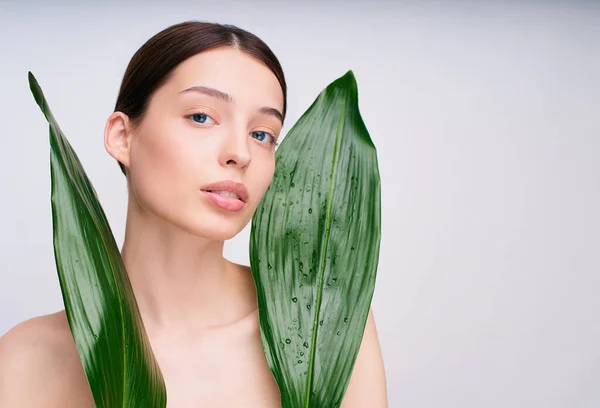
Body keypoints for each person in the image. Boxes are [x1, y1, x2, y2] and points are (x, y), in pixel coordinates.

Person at [0, 21, 387, 407]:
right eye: (202, 116)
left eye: (262, 134)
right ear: (122, 136)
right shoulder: (27, 359)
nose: (241, 153)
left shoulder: (327, 326)